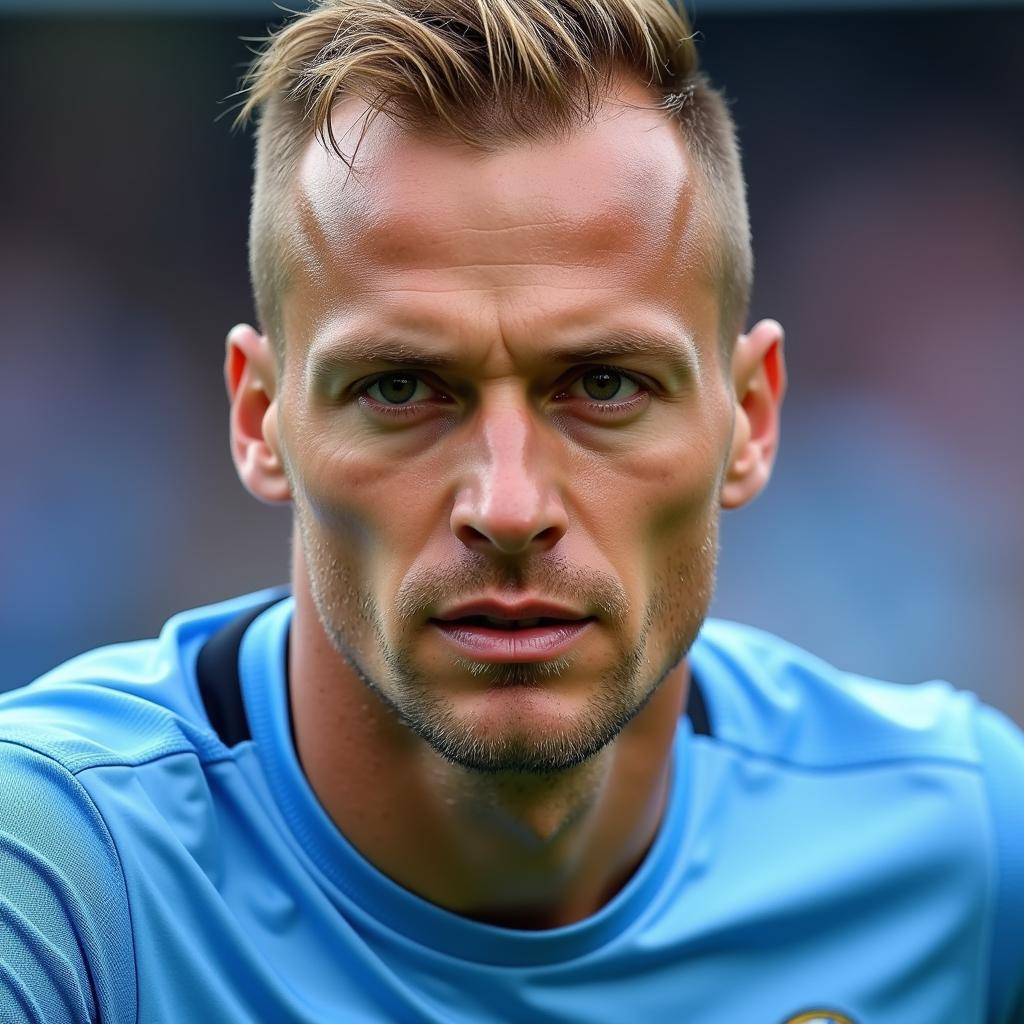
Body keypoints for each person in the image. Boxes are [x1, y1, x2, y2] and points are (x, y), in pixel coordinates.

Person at [1, 0, 1021, 1020]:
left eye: (607, 384)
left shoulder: (960, 844)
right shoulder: (62, 867)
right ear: (261, 419)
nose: (508, 503)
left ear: (749, 418)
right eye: (400, 389)